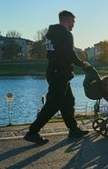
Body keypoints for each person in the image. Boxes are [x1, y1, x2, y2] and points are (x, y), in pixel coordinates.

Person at [24, 10, 91, 144]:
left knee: (68, 101)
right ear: (67, 20)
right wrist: (83, 64)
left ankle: (73, 129)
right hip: (60, 72)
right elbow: (69, 54)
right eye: (72, 22)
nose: (73, 25)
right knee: (53, 104)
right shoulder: (66, 34)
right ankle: (32, 132)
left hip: (54, 71)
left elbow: (58, 52)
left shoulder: (50, 34)